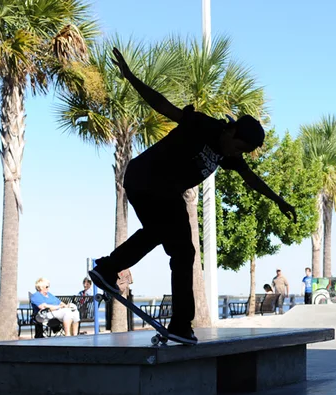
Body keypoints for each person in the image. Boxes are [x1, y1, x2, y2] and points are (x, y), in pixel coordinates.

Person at [89, 48, 297, 345]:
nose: (234, 155)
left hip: (159, 190)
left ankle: (107, 268)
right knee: (183, 252)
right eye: (237, 147)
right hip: (146, 178)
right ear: (232, 130)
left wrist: (279, 201)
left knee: (158, 234)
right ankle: (180, 323)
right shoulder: (203, 125)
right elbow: (163, 105)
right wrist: (130, 77)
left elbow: (251, 179)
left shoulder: (230, 153)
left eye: (241, 153)